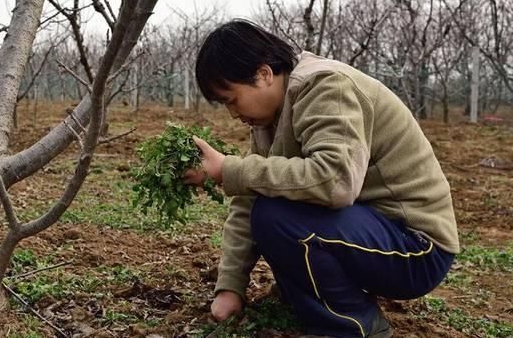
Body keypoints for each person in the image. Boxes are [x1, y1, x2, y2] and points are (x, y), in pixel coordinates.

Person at [183, 19, 459, 338]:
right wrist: (230, 286)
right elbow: (248, 201)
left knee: (276, 215)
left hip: (417, 247)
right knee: (269, 208)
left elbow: (336, 181)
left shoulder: (326, 85)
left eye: (231, 99)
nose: (233, 113)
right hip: (372, 234)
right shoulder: (267, 121)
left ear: (263, 74)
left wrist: (230, 169)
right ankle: (312, 303)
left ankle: (351, 326)